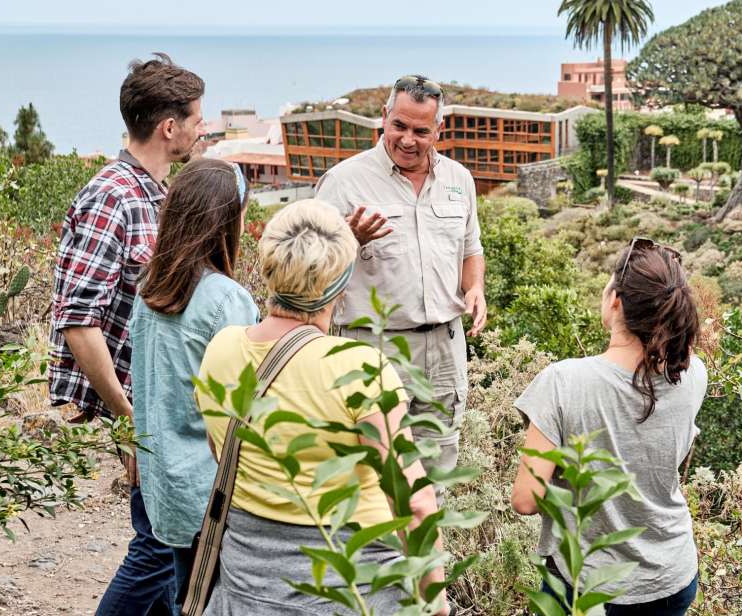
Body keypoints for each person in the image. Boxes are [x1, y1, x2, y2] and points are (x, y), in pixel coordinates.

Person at [195, 199, 447, 615]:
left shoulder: (222, 348)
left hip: (244, 589)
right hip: (351, 588)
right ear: (340, 284)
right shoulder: (357, 367)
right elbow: (413, 501)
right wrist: (435, 604)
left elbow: (221, 450)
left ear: (267, 269)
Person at [48, 52, 205, 616]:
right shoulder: (111, 197)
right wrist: (133, 421)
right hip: (142, 410)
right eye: (196, 119)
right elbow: (77, 320)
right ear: (170, 128)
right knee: (158, 548)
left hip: (162, 405)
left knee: (172, 543)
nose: (202, 128)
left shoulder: (157, 196)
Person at [510, 237, 706, 615]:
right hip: (673, 575)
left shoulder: (563, 382)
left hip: (592, 587)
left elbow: (525, 500)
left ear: (615, 300)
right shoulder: (693, 373)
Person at [315, 74, 486, 479]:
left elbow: (470, 249)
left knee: (436, 475)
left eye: (421, 131)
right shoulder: (343, 182)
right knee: (372, 475)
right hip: (372, 348)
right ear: (384, 117)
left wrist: (475, 287)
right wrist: (349, 239)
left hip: (445, 349)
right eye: (400, 126)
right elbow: (309, 267)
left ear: (438, 130)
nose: (408, 139)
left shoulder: (459, 180)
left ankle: (423, 545)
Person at [128, 158, 259, 603]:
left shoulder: (150, 287)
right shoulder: (226, 299)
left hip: (161, 477)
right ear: (226, 222)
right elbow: (242, 404)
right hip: (209, 488)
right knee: (204, 598)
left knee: (179, 589)